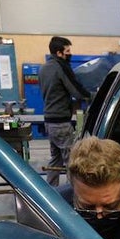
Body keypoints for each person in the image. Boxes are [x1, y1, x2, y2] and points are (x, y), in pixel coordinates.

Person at [38, 36, 91, 187]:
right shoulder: (61, 67)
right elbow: (76, 91)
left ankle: (51, 191)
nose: (70, 54)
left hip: (49, 122)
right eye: (67, 51)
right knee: (71, 162)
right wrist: (91, 97)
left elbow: (52, 92)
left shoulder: (43, 68)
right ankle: (73, 196)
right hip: (61, 123)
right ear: (59, 52)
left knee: (55, 159)